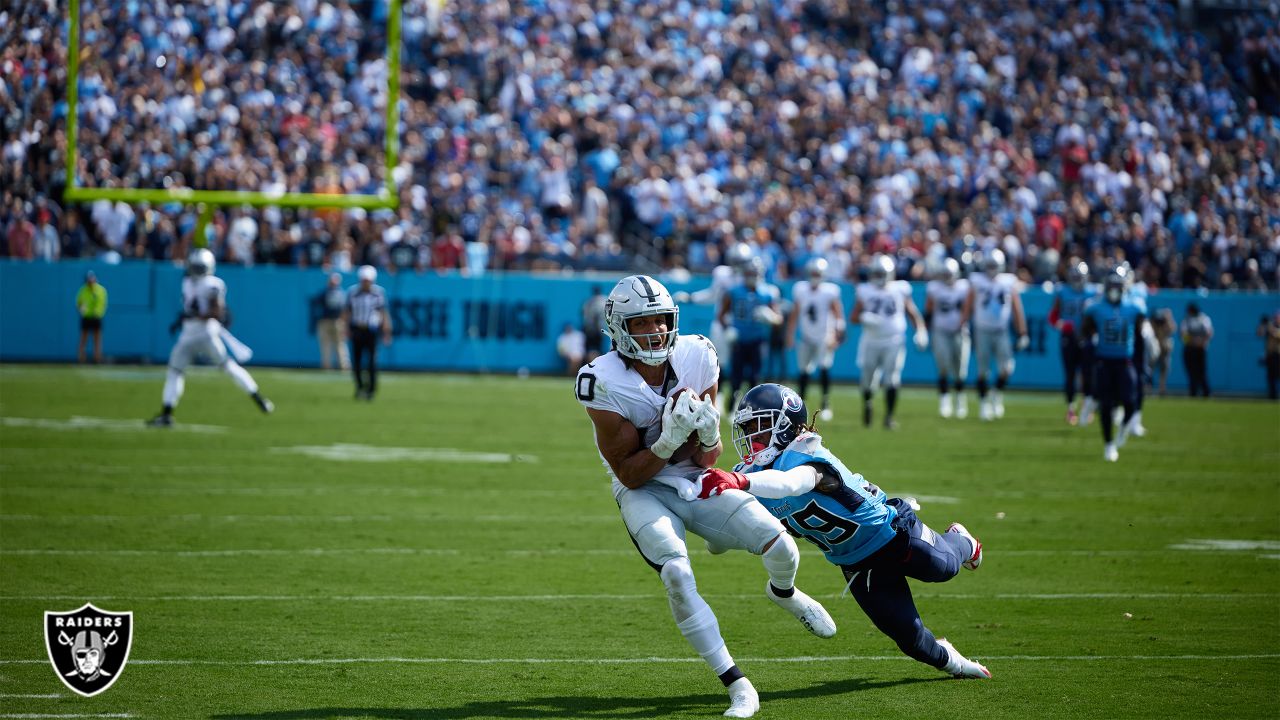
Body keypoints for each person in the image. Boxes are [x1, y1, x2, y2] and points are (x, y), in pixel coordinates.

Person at [576, 275, 836, 719]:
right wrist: (662, 443)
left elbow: (705, 457)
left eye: (661, 320)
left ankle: (785, 593)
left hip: (692, 477)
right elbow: (630, 474)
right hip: (644, 489)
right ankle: (737, 684)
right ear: (620, 328)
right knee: (676, 572)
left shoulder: (697, 354)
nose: (656, 331)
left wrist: (710, 430)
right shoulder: (600, 381)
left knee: (781, 544)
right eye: (643, 323)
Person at [697, 383, 991, 680]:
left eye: (758, 427)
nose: (751, 438)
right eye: (747, 428)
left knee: (944, 567)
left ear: (786, 425)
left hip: (890, 533)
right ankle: (953, 662)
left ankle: (963, 541)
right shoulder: (753, 476)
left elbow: (792, 484)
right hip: (855, 563)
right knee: (911, 640)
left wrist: (739, 483)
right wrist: (719, 526)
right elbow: (720, 538)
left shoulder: (803, 452)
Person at [148, 249, 273, 426]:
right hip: (204, 334)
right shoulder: (207, 283)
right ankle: (259, 399)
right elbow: (217, 311)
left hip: (194, 335)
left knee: (176, 372)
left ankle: (167, 414)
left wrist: (193, 316)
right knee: (227, 365)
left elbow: (215, 311)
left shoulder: (191, 281)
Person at [851, 254, 927, 429]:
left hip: (894, 340)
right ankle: (868, 404)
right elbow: (853, 317)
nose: (878, 277)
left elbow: (912, 312)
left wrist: (921, 330)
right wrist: (864, 317)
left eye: (881, 273)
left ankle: (889, 416)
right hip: (871, 340)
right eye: (876, 273)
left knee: (892, 378)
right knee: (867, 378)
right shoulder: (865, 290)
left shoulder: (899, 289)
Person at [1081, 269, 1145, 462]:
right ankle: (1109, 444)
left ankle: (1124, 428)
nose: (1114, 290)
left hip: (1125, 361)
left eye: (1118, 286)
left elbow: (1141, 334)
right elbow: (1085, 331)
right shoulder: (1095, 307)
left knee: (1130, 402)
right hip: (1104, 361)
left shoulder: (1135, 306)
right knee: (1106, 405)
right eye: (1112, 286)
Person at [964, 249, 1029, 421]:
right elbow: (969, 303)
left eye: (994, 265)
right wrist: (964, 323)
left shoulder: (1008, 281)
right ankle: (984, 404)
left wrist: (1022, 331)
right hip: (982, 330)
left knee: (1007, 368)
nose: (992, 268)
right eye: (989, 265)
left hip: (1001, 331)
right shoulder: (977, 280)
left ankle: (997, 393)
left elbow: (1016, 307)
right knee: (983, 371)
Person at [719, 257, 782, 415]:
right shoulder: (734, 291)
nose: (753, 276)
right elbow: (721, 315)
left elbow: (778, 319)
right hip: (739, 339)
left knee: (755, 377)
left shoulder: (768, 293)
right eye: (750, 272)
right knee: (736, 377)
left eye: (755, 273)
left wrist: (771, 317)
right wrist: (728, 328)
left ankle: (752, 407)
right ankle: (732, 405)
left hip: (758, 340)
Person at [786, 257, 845, 421]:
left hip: (824, 336)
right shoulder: (801, 289)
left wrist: (837, 333)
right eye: (813, 273)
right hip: (806, 336)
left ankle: (825, 403)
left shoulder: (829, 291)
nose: (815, 276)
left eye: (817, 273)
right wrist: (790, 334)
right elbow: (795, 312)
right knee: (803, 370)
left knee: (824, 367)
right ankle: (801, 404)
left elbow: (837, 312)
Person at [1048, 260, 1097, 425]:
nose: (1076, 280)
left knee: (1088, 374)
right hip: (1069, 337)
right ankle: (1071, 408)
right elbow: (1052, 318)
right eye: (1074, 276)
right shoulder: (1062, 292)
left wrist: (1093, 331)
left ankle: (1087, 407)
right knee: (1070, 374)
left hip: (1087, 337)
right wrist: (1064, 325)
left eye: (1079, 276)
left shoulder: (1093, 292)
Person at [924, 258, 970, 419]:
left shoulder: (964, 287)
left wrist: (962, 322)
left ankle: (960, 400)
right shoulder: (935, 288)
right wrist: (925, 331)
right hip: (940, 331)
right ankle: (945, 400)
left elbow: (968, 308)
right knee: (942, 366)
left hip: (960, 332)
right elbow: (928, 310)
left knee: (960, 369)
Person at [342, 265, 392, 400]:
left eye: (368, 280)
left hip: (372, 330)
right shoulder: (352, 292)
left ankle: (371, 390)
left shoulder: (379, 292)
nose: (366, 283)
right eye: (364, 280)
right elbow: (347, 312)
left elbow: (383, 313)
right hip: (357, 328)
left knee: (372, 362)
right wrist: (345, 328)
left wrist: (386, 331)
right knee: (357, 362)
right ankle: (359, 387)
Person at [315, 273, 350, 371]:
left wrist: (344, 322)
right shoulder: (325, 292)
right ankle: (327, 366)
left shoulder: (342, 293)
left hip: (338, 321)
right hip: (325, 321)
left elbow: (345, 309)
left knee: (340, 345)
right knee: (326, 345)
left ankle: (344, 367)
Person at [1181, 303, 1213, 398]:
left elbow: (1209, 333)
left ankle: (1206, 392)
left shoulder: (1204, 319)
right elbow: (1184, 335)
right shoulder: (1187, 320)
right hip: (1190, 349)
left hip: (1200, 349)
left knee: (1201, 372)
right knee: (1191, 372)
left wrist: (1201, 342)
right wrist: (1192, 342)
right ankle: (1193, 392)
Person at [75, 271, 108, 364]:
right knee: (83, 338)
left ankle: (97, 358)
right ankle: (81, 358)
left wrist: (98, 313)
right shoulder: (83, 290)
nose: (91, 282)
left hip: (96, 317)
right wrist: (81, 309)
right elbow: (79, 303)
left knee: (97, 339)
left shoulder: (101, 290)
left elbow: (103, 304)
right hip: (86, 317)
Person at [1150, 308, 1176, 397]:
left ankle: (1162, 390)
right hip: (1154, 350)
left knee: (1164, 370)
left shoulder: (1166, 324)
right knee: (1149, 370)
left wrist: (1168, 318)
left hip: (1164, 350)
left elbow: (1173, 329)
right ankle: (1147, 389)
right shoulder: (1152, 324)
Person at [581, 286, 607, 362]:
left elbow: (584, 314)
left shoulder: (590, 301)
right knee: (595, 350)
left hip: (592, 330)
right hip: (600, 329)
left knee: (592, 350)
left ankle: (591, 367)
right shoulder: (604, 300)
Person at [1259, 312, 1280, 400]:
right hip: (1270, 354)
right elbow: (1259, 333)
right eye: (1275, 317)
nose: (1276, 319)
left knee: (1277, 375)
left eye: (1277, 317)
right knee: (1270, 376)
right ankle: (1272, 395)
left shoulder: (1274, 328)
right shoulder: (1270, 326)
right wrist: (1263, 324)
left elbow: (1276, 334)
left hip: (1278, 354)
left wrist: (1269, 325)